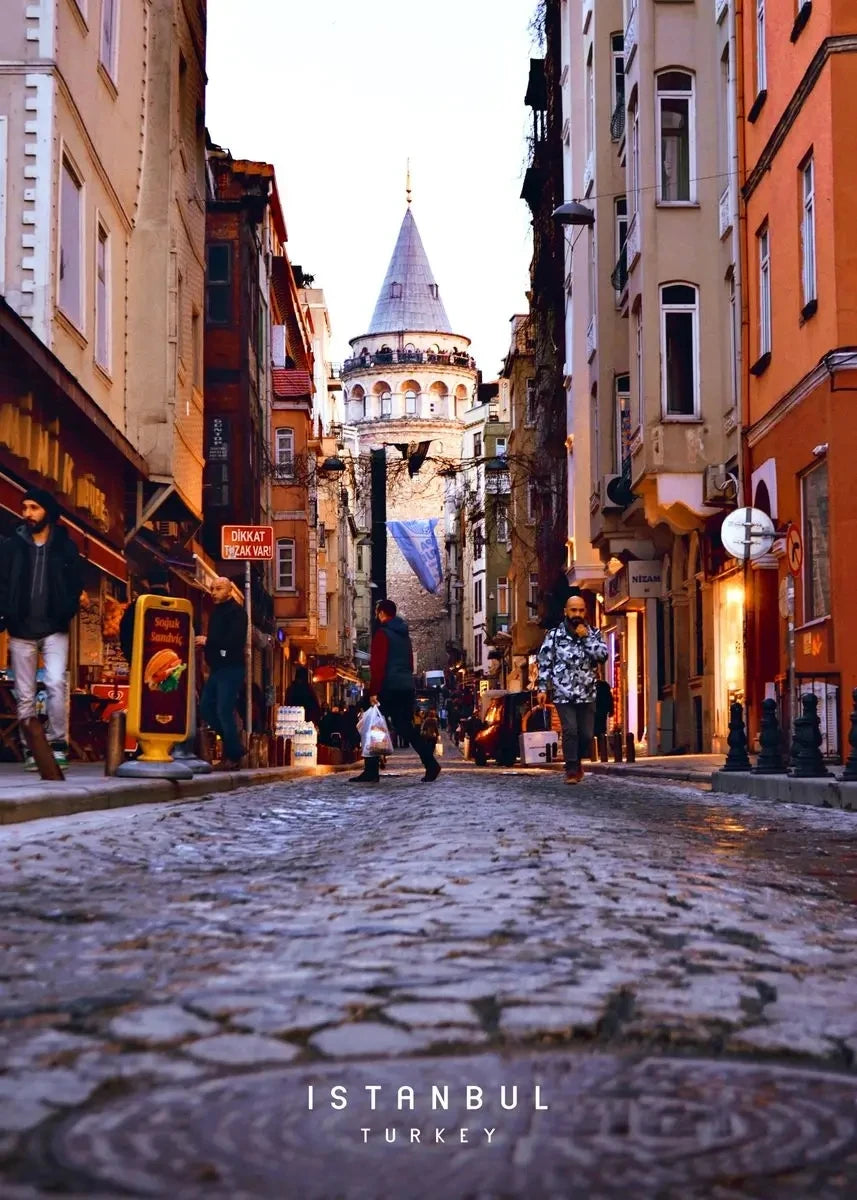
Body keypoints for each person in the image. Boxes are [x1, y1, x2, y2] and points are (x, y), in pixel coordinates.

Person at [0, 487, 82, 769]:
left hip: (54, 628)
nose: (27, 514)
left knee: (56, 683)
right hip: (20, 629)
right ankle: (31, 749)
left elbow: (75, 583)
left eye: (34, 507)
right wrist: (6, 614)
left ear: (48, 510)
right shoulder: (11, 546)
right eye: (25, 508)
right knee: (24, 695)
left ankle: (58, 744)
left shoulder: (65, 546)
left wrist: (67, 608)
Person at [352, 599, 441, 784]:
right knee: (406, 728)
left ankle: (371, 770)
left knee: (372, 725)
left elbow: (378, 666)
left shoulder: (382, 635)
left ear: (381, 613)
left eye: (377, 612)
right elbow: (409, 663)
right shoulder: (404, 636)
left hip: (387, 686)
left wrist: (374, 691)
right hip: (405, 686)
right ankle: (430, 762)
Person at [536, 592, 608, 785]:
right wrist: (542, 688)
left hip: (587, 691)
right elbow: (544, 662)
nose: (577, 613)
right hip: (563, 692)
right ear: (566, 611)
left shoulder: (593, 633)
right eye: (573, 609)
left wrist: (586, 639)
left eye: (581, 610)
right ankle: (571, 769)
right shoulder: (554, 636)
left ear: (585, 612)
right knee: (570, 731)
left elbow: (602, 656)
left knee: (585, 733)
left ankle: (577, 762)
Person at [195, 577, 247, 770]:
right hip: (217, 669)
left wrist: (208, 642)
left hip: (232, 667)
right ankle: (235, 748)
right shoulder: (216, 612)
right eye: (212, 589)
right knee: (207, 708)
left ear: (229, 590)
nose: (213, 592)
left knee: (224, 710)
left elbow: (233, 642)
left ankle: (232, 757)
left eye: (218, 589)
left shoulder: (237, 613)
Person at [119, 565, 171, 666]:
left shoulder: (137, 605)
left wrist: (132, 660)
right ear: (167, 584)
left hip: (140, 666)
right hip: (170, 668)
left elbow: (125, 634)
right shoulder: (178, 607)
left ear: (148, 583)